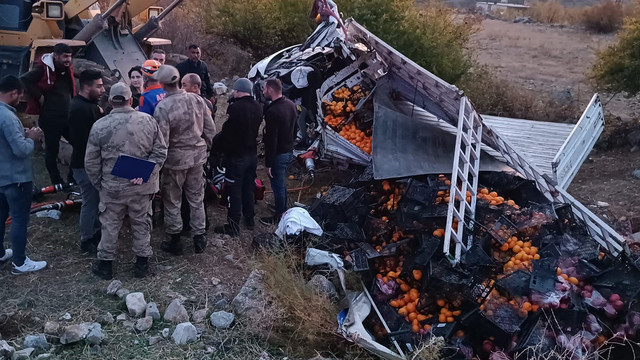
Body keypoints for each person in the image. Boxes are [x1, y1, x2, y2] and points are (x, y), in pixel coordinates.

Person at [85, 83, 167, 279]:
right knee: (142, 222)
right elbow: (160, 152)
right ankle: (141, 264)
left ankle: (105, 266)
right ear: (131, 100)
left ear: (111, 101)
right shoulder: (148, 121)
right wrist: (147, 173)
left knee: (110, 224)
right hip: (142, 187)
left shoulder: (100, 126)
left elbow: (91, 161)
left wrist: (100, 183)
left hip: (112, 187)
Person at [152, 65, 215, 255]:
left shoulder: (163, 107)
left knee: (172, 200)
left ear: (162, 84)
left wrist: (158, 165)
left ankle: (175, 239)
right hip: (197, 158)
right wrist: (205, 148)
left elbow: (161, 141)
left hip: (174, 161)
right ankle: (199, 237)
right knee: (196, 198)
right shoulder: (197, 100)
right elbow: (210, 130)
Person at [0, 75, 48, 274]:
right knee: (19, 219)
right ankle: (20, 263)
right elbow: (20, 150)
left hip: (2, 177)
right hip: (16, 178)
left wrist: (22, 136)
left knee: (0, 216)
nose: (21, 99)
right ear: (13, 93)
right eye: (20, 95)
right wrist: (32, 138)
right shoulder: (9, 117)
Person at [213, 78, 263, 236]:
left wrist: (219, 151)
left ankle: (233, 226)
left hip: (237, 157)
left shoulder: (235, 108)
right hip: (252, 155)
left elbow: (227, 134)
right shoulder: (258, 106)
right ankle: (249, 219)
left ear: (238, 90)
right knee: (248, 187)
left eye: (235, 90)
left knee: (233, 191)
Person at [21, 43, 75, 185]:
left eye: (69, 56)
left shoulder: (66, 69)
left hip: (67, 117)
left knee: (79, 145)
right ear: (55, 56)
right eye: (64, 56)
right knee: (52, 151)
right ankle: (56, 181)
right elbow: (25, 79)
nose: (68, 59)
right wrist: (39, 96)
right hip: (51, 118)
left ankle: (72, 179)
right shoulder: (43, 69)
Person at [68, 70, 105, 254]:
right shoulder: (80, 109)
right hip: (84, 164)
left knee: (96, 199)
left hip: (90, 162)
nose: (102, 89)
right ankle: (87, 239)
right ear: (86, 87)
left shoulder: (88, 105)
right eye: (98, 86)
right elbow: (85, 140)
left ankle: (96, 231)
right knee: (90, 202)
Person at [260, 78, 297, 225]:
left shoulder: (273, 111)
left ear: (270, 89)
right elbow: (295, 129)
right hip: (288, 149)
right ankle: (282, 208)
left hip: (278, 153)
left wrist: (268, 163)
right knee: (281, 182)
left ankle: (279, 216)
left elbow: (271, 139)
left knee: (278, 184)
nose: (263, 92)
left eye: (264, 89)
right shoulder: (291, 104)